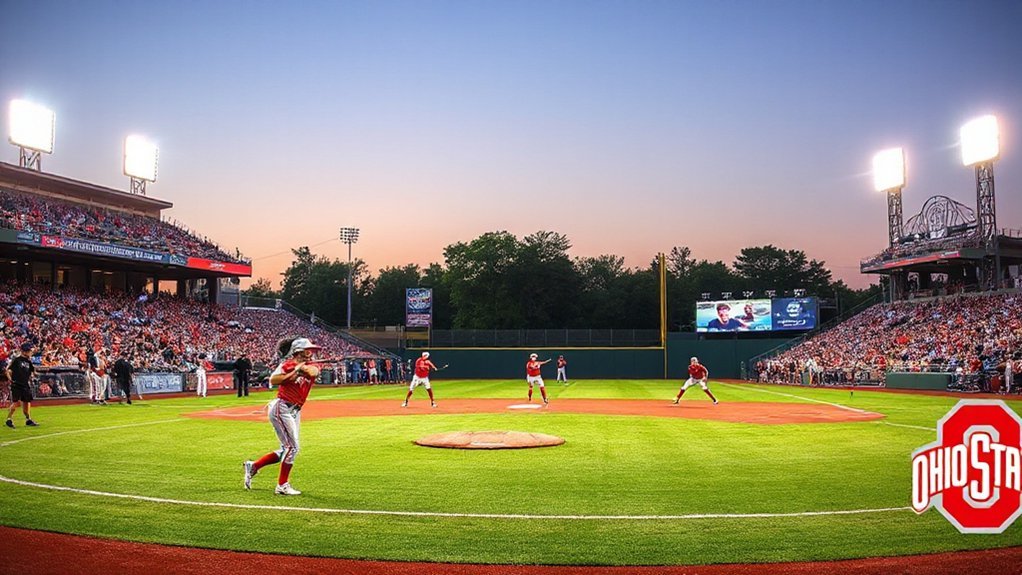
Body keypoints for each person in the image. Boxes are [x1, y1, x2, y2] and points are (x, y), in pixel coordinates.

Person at [243, 337, 323, 496]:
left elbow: (313, 372)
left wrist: (302, 368)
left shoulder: (310, 365)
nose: (312, 352)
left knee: (286, 449)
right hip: (282, 407)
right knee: (292, 448)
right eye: (309, 350)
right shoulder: (286, 365)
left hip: (295, 410)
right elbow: (273, 379)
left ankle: (254, 466)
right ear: (299, 352)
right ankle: (282, 485)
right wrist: (295, 370)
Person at [6, 343, 40, 428]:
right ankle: (9, 419)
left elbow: (33, 371)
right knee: (15, 402)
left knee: (27, 402)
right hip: (17, 384)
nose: (31, 353)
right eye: (29, 351)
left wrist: (36, 374)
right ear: (24, 351)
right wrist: (11, 380)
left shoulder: (28, 361)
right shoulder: (17, 360)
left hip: (25, 384)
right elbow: (8, 370)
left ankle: (28, 419)